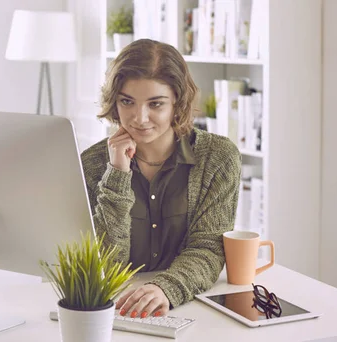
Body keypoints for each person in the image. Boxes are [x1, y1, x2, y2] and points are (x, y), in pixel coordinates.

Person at [80, 39, 241, 319]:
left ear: (178, 101)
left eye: (155, 104)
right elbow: (106, 266)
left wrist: (166, 288)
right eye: (127, 101)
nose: (139, 118)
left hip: (189, 307)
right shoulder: (93, 164)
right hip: (114, 311)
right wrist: (117, 174)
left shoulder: (218, 158)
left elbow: (208, 249)